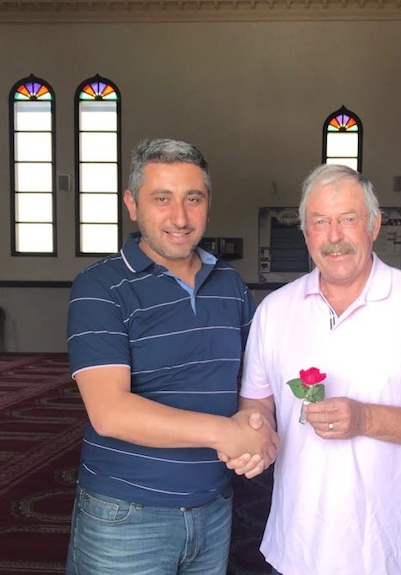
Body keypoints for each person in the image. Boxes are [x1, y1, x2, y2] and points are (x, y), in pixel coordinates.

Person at [234, 163, 401, 575]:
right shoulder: (275, 311)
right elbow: (256, 404)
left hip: (388, 553)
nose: (334, 236)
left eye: (348, 219)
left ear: (374, 224)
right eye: (320, 222)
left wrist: (365, 418)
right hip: (297, 549)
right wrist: (253, 436)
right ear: (306, 232)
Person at [65, 138, 278, 575]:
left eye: (192, 199)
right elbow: (110, 413)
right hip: (126, 517)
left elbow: (254, 386)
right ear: (132, 204)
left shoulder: (231, 285)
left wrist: (260, 433)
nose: (179, 217)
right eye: (162, 199)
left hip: (214, 509)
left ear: (207, 204)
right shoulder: (100, 288)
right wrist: (227, 433)